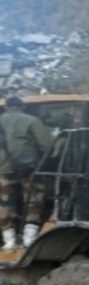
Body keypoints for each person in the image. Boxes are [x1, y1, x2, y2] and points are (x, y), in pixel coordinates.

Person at [0, 96, 53, 250]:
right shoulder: (32, 120)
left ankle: (8, 240)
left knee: (3, 203)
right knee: (33, 201)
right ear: (22, 107)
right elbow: (47, 145)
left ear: (6, 107)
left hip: (2, 170)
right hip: (28, 168)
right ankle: (29, 239)